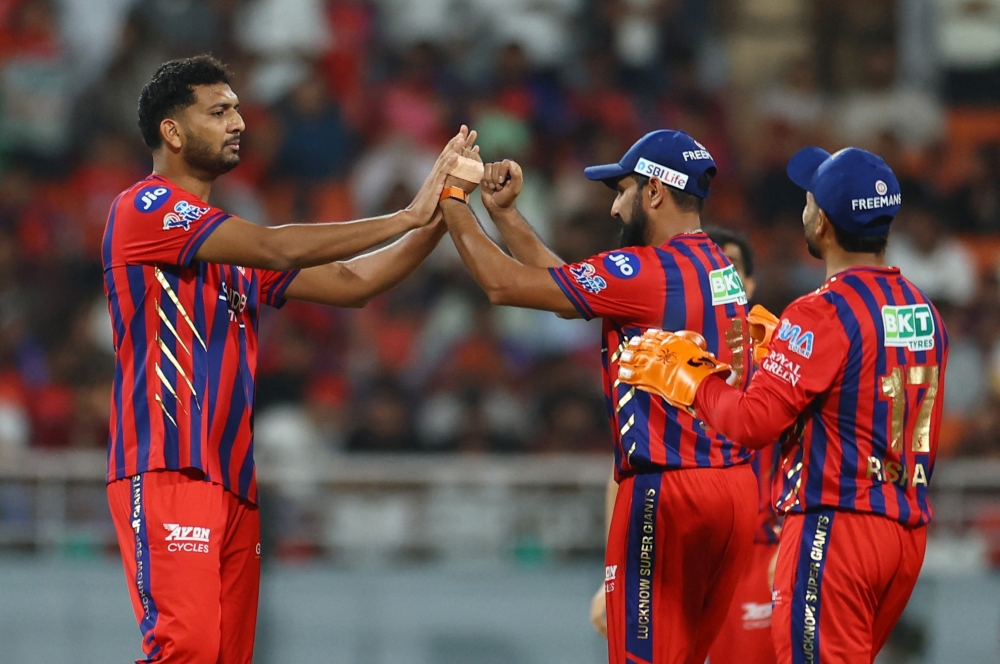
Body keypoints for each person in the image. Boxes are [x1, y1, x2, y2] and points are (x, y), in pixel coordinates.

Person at [102, 55, 467, 663]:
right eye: (219, 111)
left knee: (224, 656)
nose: (239, 121)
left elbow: (354, 284)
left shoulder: (226, 246)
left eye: (238, 109)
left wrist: (443, 212)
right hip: (167, 468)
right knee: (186, 647)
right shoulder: (144, 210)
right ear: (172, 131)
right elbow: (277, 245)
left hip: (234, 483)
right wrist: (409, 212)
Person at [439, 130, 759, 664]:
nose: (614, 207)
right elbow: (568, 291)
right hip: (734, 491)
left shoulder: (648, 269)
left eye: (623, 190)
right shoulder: (717, 267)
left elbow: (502, 285)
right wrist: (506, 215)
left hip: (667, 490)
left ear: (654, 193)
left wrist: (453, 197)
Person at [619, 147, 949, 664]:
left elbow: (750, 423)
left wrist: (690, 379)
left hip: (834, 529)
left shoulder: (822, 311)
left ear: (822, 223)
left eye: (809, 200)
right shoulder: (922, 308)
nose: (804, 210)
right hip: (904, 536)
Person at [589, 226, 780, 664]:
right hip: (676, 536)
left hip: (759, 550)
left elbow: (809, 446)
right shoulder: (666, 356)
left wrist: (795, 538)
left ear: (746, 286)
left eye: (730, 272)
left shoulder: (774, 356)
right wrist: (609, 575)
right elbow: (626, 469)